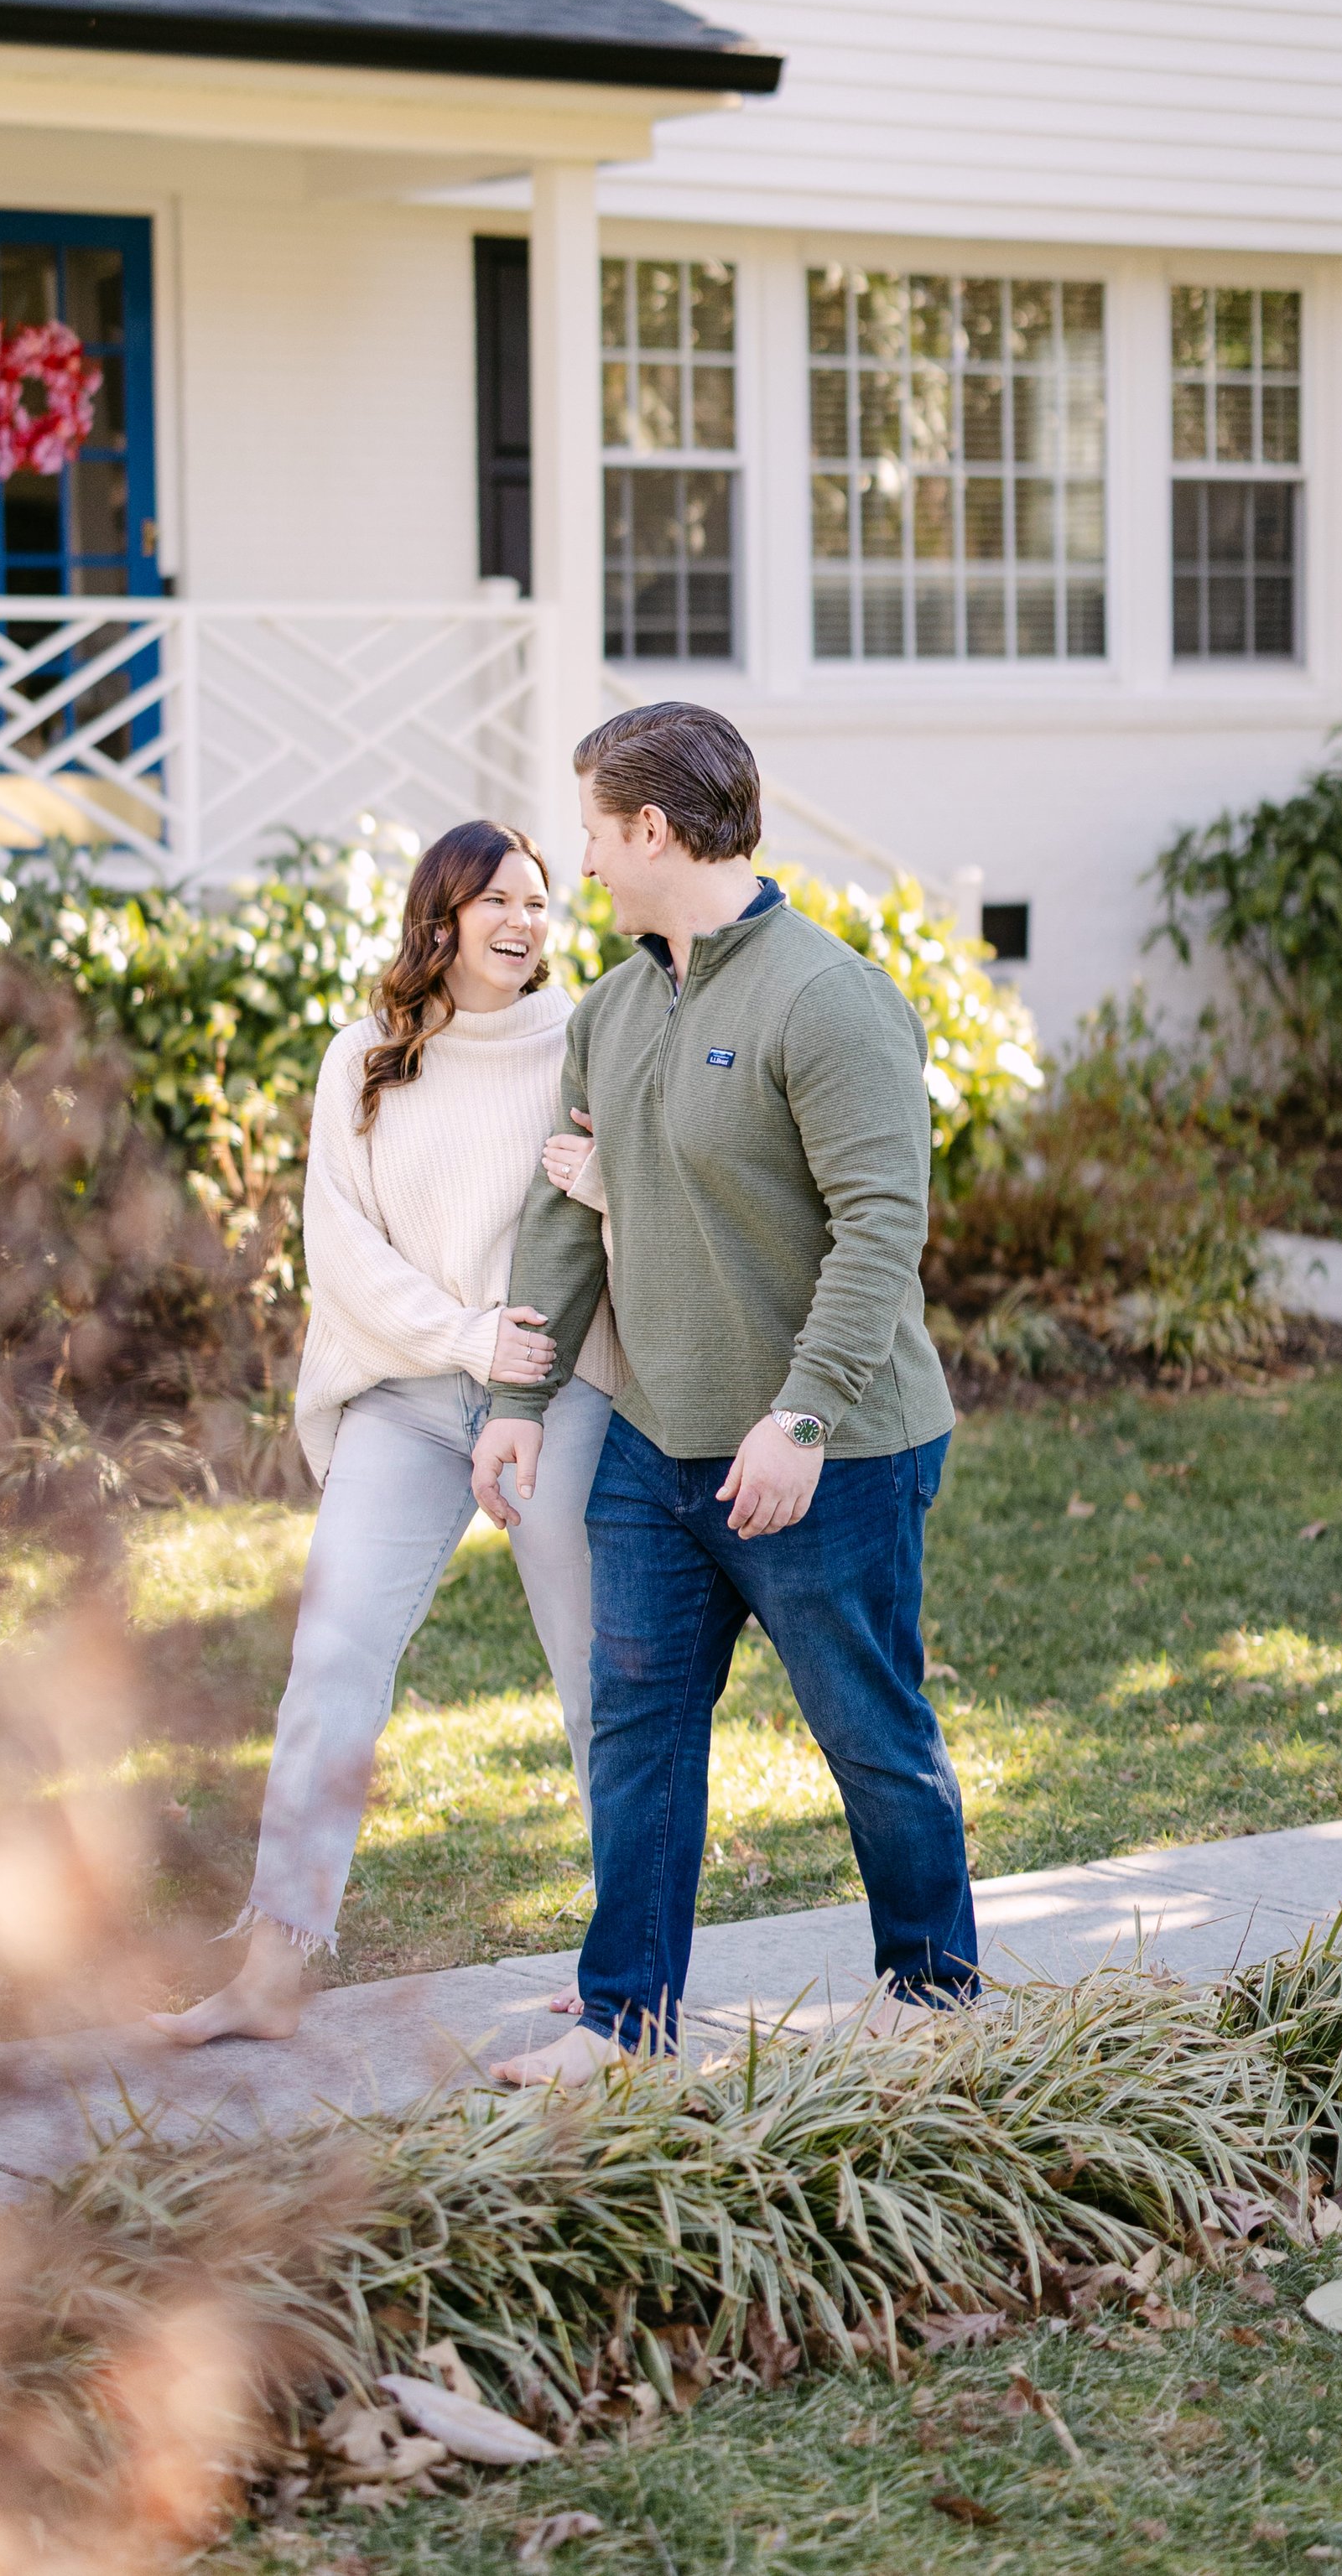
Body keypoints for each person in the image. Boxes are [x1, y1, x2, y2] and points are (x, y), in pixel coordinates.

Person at [471, 703, 974, 2085]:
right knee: (635, 1731)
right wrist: (517, 1396)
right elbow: (566, 1213)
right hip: (657, 1440)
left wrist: (802, 1416)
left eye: (589, 829)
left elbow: (883, 1228)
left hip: (836, 1448)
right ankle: (625, 2019)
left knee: (870, 1730)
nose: (577, 861)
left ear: (652, 828)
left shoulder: (828, 997)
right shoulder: (617, 1007)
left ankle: (935, 1995)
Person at [146, 818, 618, 2047]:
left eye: (540, 900)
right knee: (334, 1654)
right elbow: (340, 1253)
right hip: (410, 1396)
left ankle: (627, 1952)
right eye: (498, 901)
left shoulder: (590, 1038)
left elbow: (650, 1205)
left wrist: (607, 1189)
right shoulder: (366, 1056)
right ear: (443, 917)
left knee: (599, 1664)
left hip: (561, 1393)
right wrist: (469, 1339)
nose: (524, 921)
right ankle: (272, 1965)